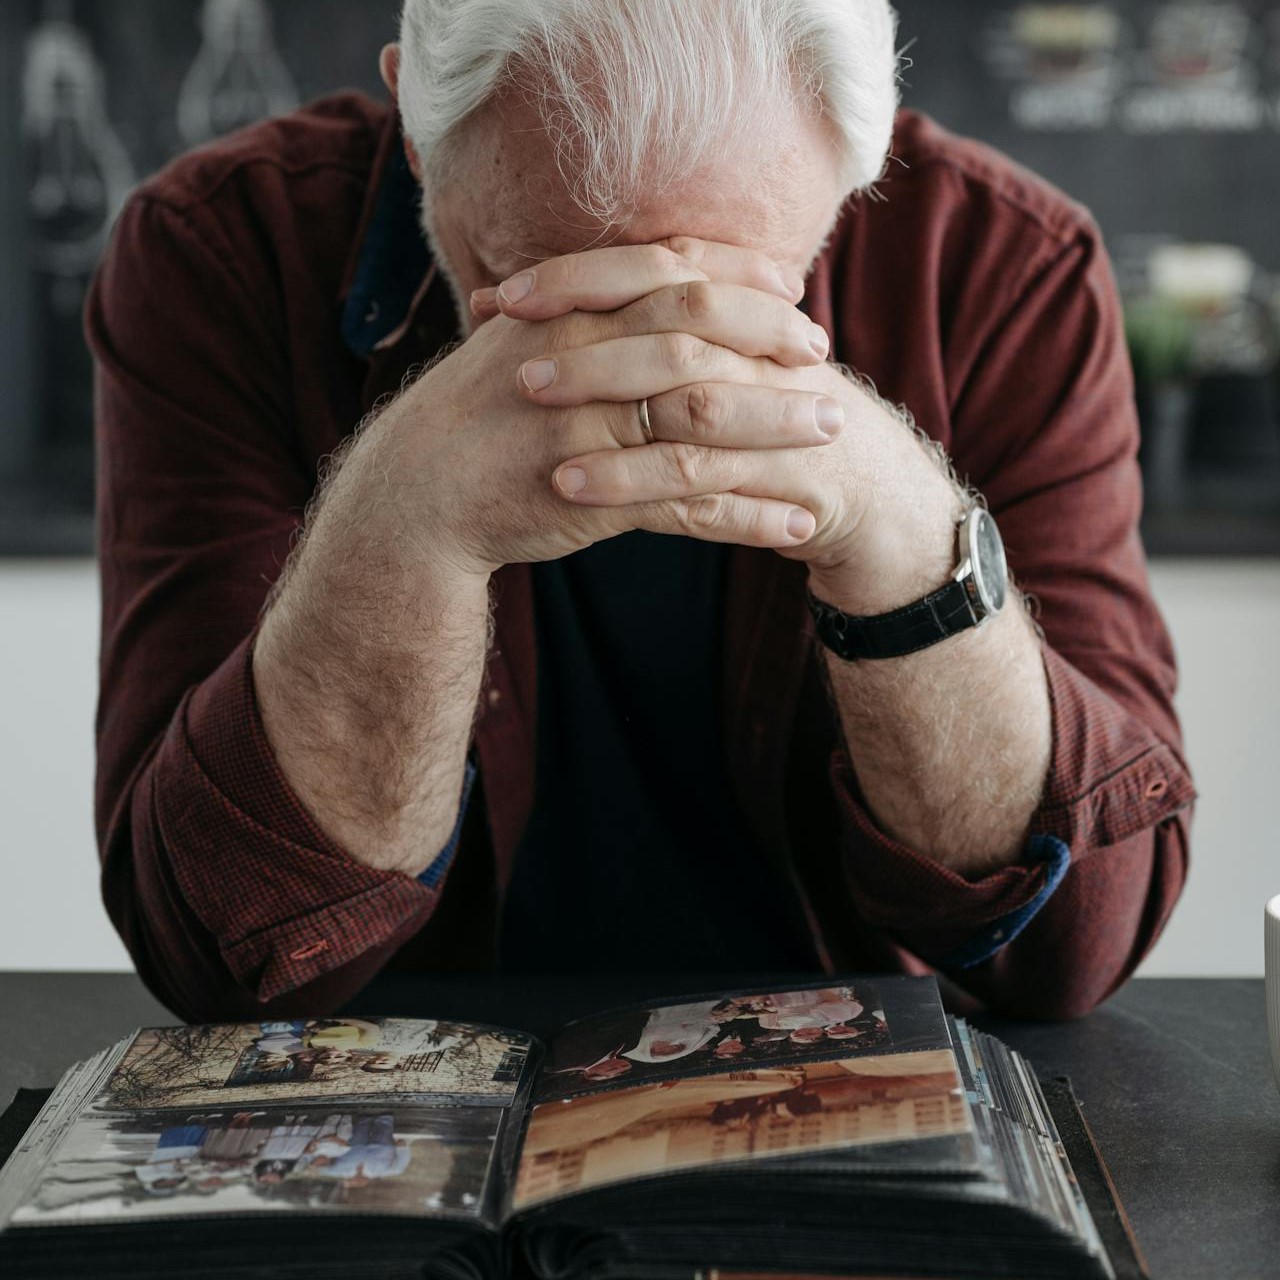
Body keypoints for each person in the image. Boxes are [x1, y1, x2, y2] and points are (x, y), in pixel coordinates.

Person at [90, 0, 1194, 1023]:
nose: (642, 360)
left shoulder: (1004, 264)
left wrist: (900, 537)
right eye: (551, 296)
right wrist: (398, 519)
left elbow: (1071, 939)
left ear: (855, 169)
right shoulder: (218, 251)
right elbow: (213, 943)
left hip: (850, 1122)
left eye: (735, 290)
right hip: (397, 1124)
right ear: (418, 130)